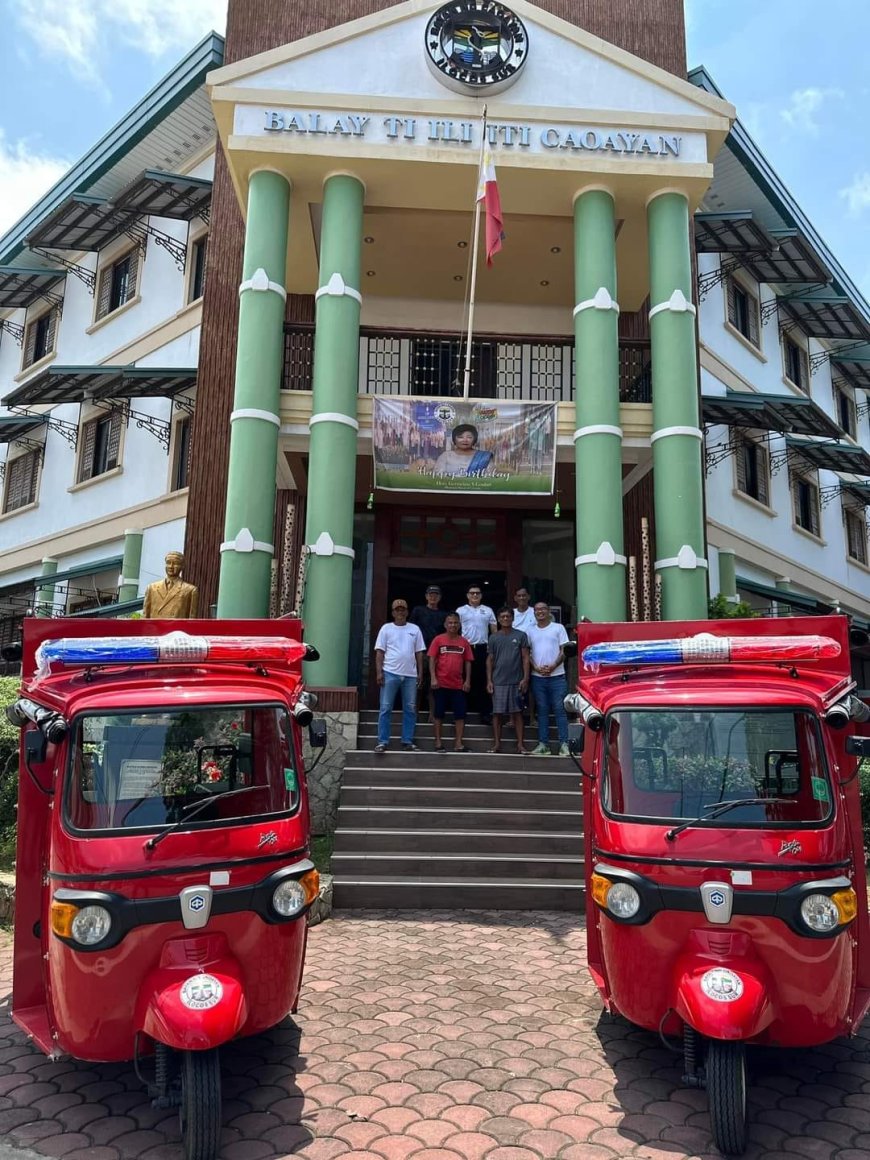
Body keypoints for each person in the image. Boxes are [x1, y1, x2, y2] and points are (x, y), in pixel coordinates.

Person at [373, 599, 426, 753]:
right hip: (390, 672)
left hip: (410, 675)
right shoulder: (386, 628)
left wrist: (420, 673)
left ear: (407, 612)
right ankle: (382, 741)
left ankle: (407, 740)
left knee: (410, 709)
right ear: (393, 612)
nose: (400, 612)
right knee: (385, 708)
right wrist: (379, 672)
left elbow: (419, 653)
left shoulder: (415, 629)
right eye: (397, 610)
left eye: (403, 609)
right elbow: (379, 652)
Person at [528, 601, 570, 757]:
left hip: (557, 676)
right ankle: (543, 744)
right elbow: (528, 654)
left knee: (560, 710)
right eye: (537, 610)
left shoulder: (558, 628)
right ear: (534, 613)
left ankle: (564, 744)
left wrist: (553, 666)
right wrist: (535, 667)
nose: (540, 612)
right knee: (542, 711)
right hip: (537, 676)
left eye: (543, 609)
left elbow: (564, 650)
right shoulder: (530, 631)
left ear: (548, 611)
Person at [486, 607, 530, 754]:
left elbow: (525, 658)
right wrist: (489, 681)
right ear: (498, 619)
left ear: (512, 618)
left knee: (517, 713)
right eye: (503, 617)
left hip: (516, 681)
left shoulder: (521, 635)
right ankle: (497, 744)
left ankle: (520, 745)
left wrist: (525, 678)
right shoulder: (493, 637)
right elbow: (490, 660)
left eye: (508, 616)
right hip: (498, 681)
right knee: (497, 714)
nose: (505, 619)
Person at [428, 614, 473, 753]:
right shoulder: (438, 639)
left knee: (460, 715)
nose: (453, 625)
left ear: (459, 625)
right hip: (441, 683)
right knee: (438, 714)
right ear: (445, 624)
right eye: (450, 622)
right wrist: (433, 678)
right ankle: (438, 743)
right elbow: (432, 659)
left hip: (458, 685)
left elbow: (468, 662)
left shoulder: (464, 642)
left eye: (455, 623)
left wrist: (467, 680)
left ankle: (458, 743)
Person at [456, 585, 497, 723]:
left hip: (482, 649)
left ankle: (485, 714)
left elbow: (494, 630)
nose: (474, 595)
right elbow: (455, 629)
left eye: (477, 593)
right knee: (462, 680)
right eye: (472, 593)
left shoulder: (488, 610)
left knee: (483, 680)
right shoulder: (461, 610)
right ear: (467, 595)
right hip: (465, 648)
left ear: (481, 595)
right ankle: (460, 714)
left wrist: (494, 648)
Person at [411, 584, 450, 716]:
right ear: (426, 596)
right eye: (430, 594)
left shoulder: (444, 615)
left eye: (436, 594)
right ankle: (414, 714)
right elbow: (411, 631)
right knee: (418, 684)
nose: (433, 597)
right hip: (420, 653)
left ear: (440, 597)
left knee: (434, 687)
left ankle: (433, 715)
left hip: (438, 654)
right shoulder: (418, 611)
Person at [142, 551, 199, 618]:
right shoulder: (152, 588)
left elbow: (191, 619)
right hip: (156, 627)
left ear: (182, 566)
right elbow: (145, 616)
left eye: (175, 563)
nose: (171, 566)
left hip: (176, 628)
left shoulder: (190, 590)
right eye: (168, 563)